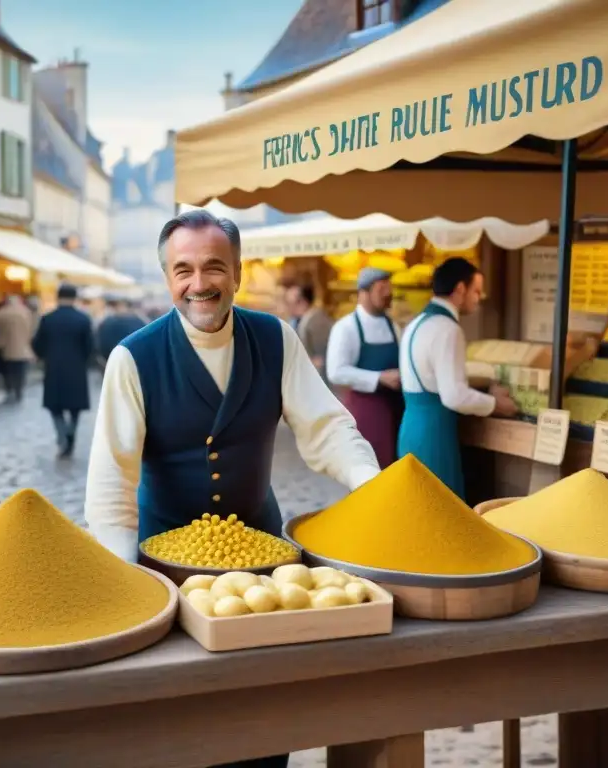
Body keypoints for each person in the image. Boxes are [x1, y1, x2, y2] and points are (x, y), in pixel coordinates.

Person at [86, 211, 380, 768]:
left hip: (265, 557)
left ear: (238, 272)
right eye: (184, 270)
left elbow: (327, 428)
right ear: (167, 277)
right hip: (164, 565)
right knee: (183, 716)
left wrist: (372, 486)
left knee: (265, 708)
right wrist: (125, 585)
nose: (200, 284)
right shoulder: (133, 358)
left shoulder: (275, 338)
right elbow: (110, 483)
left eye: (214, 267)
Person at [397, 257, 518, 500]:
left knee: (416, 506)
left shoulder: (416, 324)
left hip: (411, 427)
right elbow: (454, 396)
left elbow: (431, 377)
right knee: (441, 511)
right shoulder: (447, 329)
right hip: (434, 434)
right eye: (476, 290)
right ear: (460, 289)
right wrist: (496, 404)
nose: (479, 297)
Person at [326, 268, 403, 469]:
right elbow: (336, 372)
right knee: (368, 472)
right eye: (382, 288)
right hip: (365, 412)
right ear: (364, 292)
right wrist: (379, 378)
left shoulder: (393, 326)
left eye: (389, 288)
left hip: (395, 410)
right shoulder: (346, 328)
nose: (388, 293)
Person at [33, 284, 94, 458]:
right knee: (75, 408)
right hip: (76, 369)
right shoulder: (83, 319)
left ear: (58, 297)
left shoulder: (47, 319)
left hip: (54, 368)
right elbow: (90, 346)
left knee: (55, 406)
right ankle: (71, 433)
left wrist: (44, 356)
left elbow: (37, 344)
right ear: (75, 298)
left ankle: (62, 435)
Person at [0, 295, 35, 404]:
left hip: (5, 349)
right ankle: (19, 391)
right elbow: (32, 330)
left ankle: (9, 390)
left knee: (7, 373)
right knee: (20, 372)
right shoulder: (26, 313)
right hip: (23, 349)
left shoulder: (0, 313)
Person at [285, 283, 333, 379]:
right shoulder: (297, 320)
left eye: (290, 303)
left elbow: (322, 358)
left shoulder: (317, 321)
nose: (287, 307)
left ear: (302, 302)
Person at [96, 296, 145, 362]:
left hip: (113, 360)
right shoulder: (138, 320)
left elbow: (102, 344)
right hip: (134, 360)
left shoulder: (107, 321)